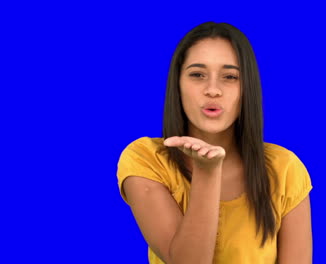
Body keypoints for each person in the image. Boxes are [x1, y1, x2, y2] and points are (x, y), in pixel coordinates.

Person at [116, 22, 313, 264]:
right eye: (197, 75)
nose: (212, 90)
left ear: (246, 88)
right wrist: (207, 172)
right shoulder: (145, 158)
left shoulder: (285, 169)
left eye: (230, 77)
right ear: (178, 85)